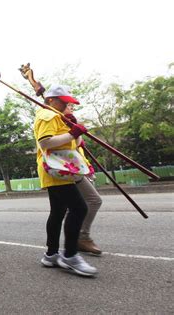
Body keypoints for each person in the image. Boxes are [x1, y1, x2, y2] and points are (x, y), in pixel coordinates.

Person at [34, 85, 97, 276]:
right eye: (63, 101)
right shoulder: (48, 115)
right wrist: (73, 133)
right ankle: (70, 255)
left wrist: (75, 134)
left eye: (68, 102)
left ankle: (51, 254)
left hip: (61, 168)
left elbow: (70, 143)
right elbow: (45, 142)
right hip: (56, 169)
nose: (66, 104)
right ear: (51, 100)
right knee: (79, 208)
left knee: (58, 211)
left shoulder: (58, 116)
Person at [63, 104, 103, 255]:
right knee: (93, 201)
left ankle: (71, 244)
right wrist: (72, 133)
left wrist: (76, 132)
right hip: (66, 168)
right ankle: (79, 240)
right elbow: (49, 143)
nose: (72, 108)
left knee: (73, 208)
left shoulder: (67, 120)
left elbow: (77, 143)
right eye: (69, 105)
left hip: (77, 167)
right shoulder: (54, 119)